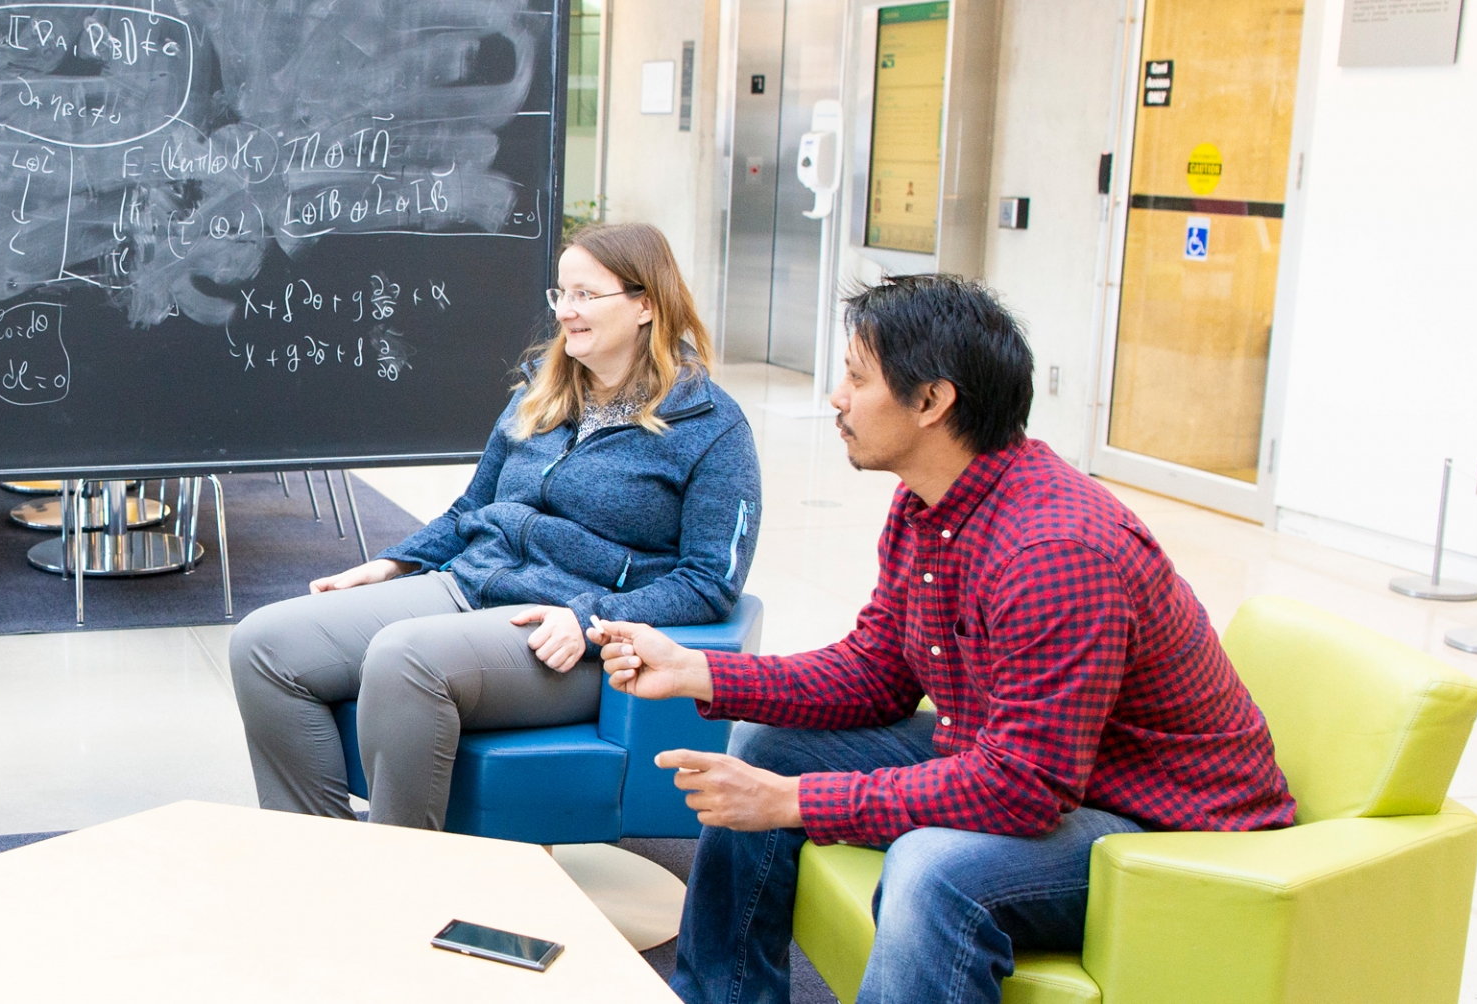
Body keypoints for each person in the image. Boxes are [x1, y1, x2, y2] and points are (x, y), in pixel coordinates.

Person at [595, 274, 1296, 1004]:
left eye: (857, 378)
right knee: (767, 745)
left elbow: (1023, 788)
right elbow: (877, 672)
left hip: (1159, 819)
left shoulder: (1054, 551)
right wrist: (700, 672)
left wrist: (797, 802)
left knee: (933, 871)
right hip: (1036, 760)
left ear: (932, 401)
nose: (836, 397)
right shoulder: (929, 504)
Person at [230, 222, 762, 830]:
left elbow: (708, 582)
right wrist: (397, 561)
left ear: (645, 304)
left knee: (403, 657)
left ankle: (393, 880)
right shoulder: (543, 390)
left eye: (586, 295)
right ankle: (318, 859)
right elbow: (471, 510)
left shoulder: (712, 426)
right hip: (470, 584)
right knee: (263, 645)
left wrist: (590, 618)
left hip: (565, 634)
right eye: (560, 294)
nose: (566, 311)